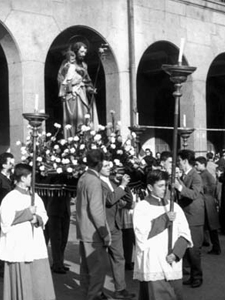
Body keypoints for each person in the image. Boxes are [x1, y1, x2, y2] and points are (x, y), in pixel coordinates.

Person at [0, 163, 55, 300]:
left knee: (39, 278)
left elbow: (44, 214)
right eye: (31, 176)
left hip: (35, 244)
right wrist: (27, 213)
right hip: (19, 246)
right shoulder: (10, 197)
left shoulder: (34, 196)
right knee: (23, 279)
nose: (33, 179)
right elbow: (5, 221)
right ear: (23, 178)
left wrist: (37, 218)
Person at [133, 170, 192, 300]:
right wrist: (164, 219)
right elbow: (142, 234)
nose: (164, 189)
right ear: (149, 187)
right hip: (153, 262)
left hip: (172, 261)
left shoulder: (175, 206)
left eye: (165, 185)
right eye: (160, 186)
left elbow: (185, 233)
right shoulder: (142, 207)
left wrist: (176, 253)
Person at [76, 149, 112, 300]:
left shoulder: (84, 177)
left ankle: (87, 296)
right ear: (99, 163)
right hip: (93, 232)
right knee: (97, 271)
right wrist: (105, 233)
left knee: (86, 270)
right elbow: (96, 210)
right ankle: (93, 296)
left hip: (84, 230)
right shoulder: (94, 181)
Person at [100, 158, 136, 299]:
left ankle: (120, 290)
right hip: (103, 226)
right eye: (105, 165)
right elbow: (109, 200)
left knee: (119, 258)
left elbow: (128, 202)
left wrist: (124, 185)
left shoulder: (113, 181)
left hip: (115, 224)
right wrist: (121, 186)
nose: (109, 167)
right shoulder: (99, 183)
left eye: (110, 165)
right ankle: (98, 290)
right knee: (101, 260)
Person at [173, 150, 205, 288]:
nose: (178, 163)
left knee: (194, 250)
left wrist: (179, 186)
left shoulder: (196, 176)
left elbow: (193, 194)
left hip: (194, 217)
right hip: (186, 216)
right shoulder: (185, 175)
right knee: (187, 248)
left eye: (179, 160)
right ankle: (192, 276)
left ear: (185, 161)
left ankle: (197, 277)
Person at [58, 42, 98, 137]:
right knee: (72, 118)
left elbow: (87, 81)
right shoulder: (66, 64)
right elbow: (60, 79)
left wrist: (90, 89)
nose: (84, 54)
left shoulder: (84, 65)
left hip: (82, 94)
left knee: (83, 117)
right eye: (82, 52)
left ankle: (83, 140)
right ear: (76, 52)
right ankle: (72, 140)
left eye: (85, 52)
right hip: (70, 95)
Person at [0, 152, 14, 277]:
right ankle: (0, 268)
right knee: (3, 242)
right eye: (11, 162)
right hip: (3, 217)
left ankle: (4, 266)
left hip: (9, 216)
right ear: (4, 165)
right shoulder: (0, 181)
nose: (13, 164)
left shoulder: (8, 179)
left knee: (7, 242)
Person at [195, 156, 221, 255]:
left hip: (207, 201)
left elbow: (212, 187)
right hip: (207, 201)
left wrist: (204, 189)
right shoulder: (204, 174)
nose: (196, 166)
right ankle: (211, 245)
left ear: (203, 164)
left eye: (197, 164)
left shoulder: (206, 175)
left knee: (211, 226)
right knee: (208, 226)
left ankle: (216, 247)